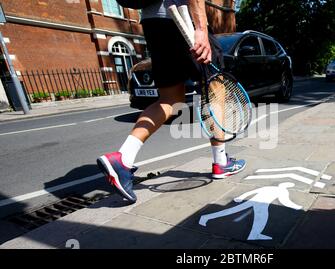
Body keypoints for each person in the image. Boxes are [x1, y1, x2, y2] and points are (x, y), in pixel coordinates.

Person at [96, 0, 246, 203]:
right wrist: (201, 29)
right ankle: (221, 161)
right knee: (215, 88)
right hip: (182, 19)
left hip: (153, 23)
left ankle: (122, 158)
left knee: (169, 99)